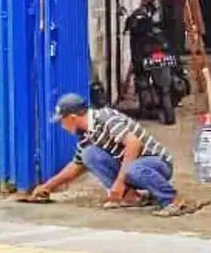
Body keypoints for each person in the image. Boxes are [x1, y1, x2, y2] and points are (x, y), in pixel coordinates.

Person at [30, 92, 199, 217]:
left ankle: (172, 200)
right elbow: (76, 166)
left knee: (133, 168)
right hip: (134, 168)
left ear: (73, 118)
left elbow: (134, 144)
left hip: (157, 164)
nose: (62, 126)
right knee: (89, 155)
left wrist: (118, 183)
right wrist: (48, 187)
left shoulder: (106, 117)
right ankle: (130, 197)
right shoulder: (86, 135)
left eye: (62, 121)